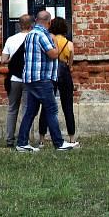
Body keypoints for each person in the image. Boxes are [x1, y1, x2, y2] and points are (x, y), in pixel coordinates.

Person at [15, 11, 79, 152]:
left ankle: (22, 142)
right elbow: (53, 54)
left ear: (36, 20)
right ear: (48, 22)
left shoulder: (30, 34)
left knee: (31, 111)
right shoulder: (42, 34)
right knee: (52, 109)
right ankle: (59, 143)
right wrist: (55, 42)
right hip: (41, 79)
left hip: (30, 78)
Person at [38, 17, 76, 146]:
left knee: (46, 106)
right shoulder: (69, 44)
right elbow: (70, 64)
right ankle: (71, 137)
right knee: (68, 107)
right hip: (64, 74)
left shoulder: (49, 40)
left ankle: (42, 139)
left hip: (51, 73)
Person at [1, 14, 33, 148]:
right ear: (31, 25)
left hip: (14, 78)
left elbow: (3, 60)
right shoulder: (34, 39)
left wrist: (12, 60)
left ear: (19, 25)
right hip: (29, 78)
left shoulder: (11, 39)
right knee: (27, 110)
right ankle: (24, 139)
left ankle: (9, 139)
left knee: (12, 109)